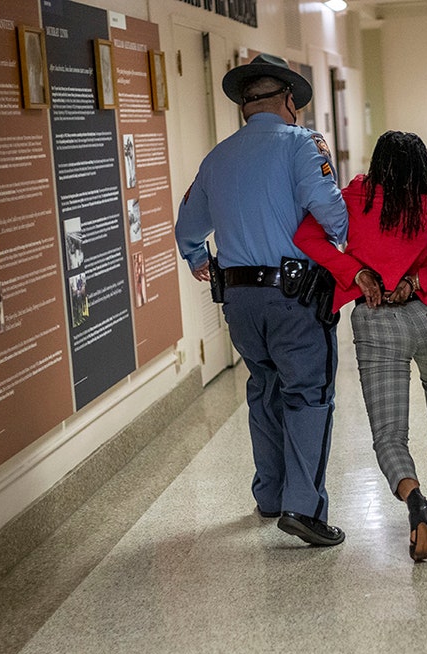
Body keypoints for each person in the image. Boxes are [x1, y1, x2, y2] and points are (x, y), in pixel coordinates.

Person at [175, 53, 349, 547]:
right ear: (290, 100)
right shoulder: (302, 144)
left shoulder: (218, 157)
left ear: (244, 107)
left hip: (240, 300)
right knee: (309, 393)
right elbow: (330, 210)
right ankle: (304, 508)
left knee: (265, 387)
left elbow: (188, 227)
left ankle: (270, 494)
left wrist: (197, 258)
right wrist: (345, 242)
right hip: (295, 296)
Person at [294, 131, 427, 562]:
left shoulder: (353, 200)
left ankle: (415, 502)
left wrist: (357, 274)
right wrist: (418, 281)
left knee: (389, 435)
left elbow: (308, 239)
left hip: (376, 322)